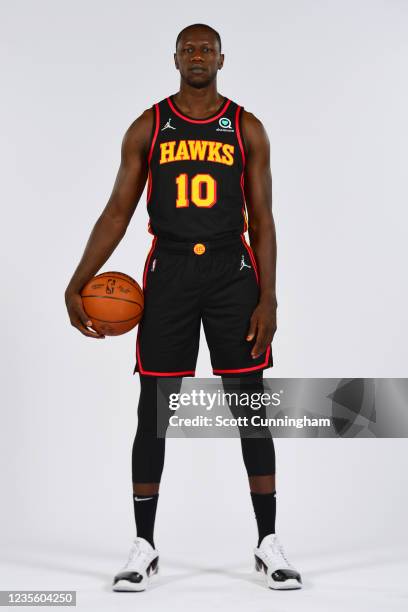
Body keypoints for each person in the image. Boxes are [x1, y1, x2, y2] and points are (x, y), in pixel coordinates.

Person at [65, 23, 302, 592]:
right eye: (189, 48)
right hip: (169, 272)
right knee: (156, 407)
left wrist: (268, 296)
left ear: (222, 57)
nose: (198, 55)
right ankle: (144, 545)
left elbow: (264, 219)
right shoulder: (149, 125)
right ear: (175, 58)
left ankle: (268, 542)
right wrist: (78, 281)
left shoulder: (247, 127)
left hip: (232, 273)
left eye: (206, 48)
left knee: (249, 406)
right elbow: (117, 210)